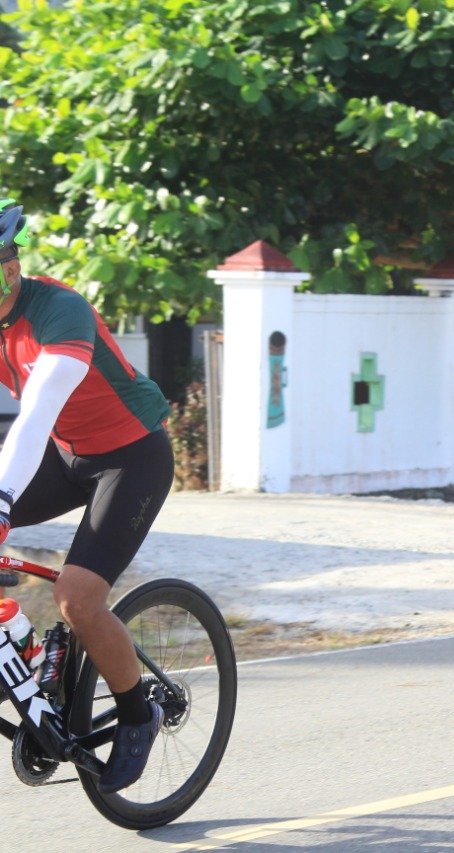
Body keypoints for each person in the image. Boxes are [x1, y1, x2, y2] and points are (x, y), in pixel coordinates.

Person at [0, 199, 173, 793]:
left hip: (132, 457)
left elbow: (35, 413)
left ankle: (137, 714)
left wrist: (2, 500)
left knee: (77, 597)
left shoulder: (60, 312)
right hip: (64, 452)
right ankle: (25, 649)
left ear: (12, 267)